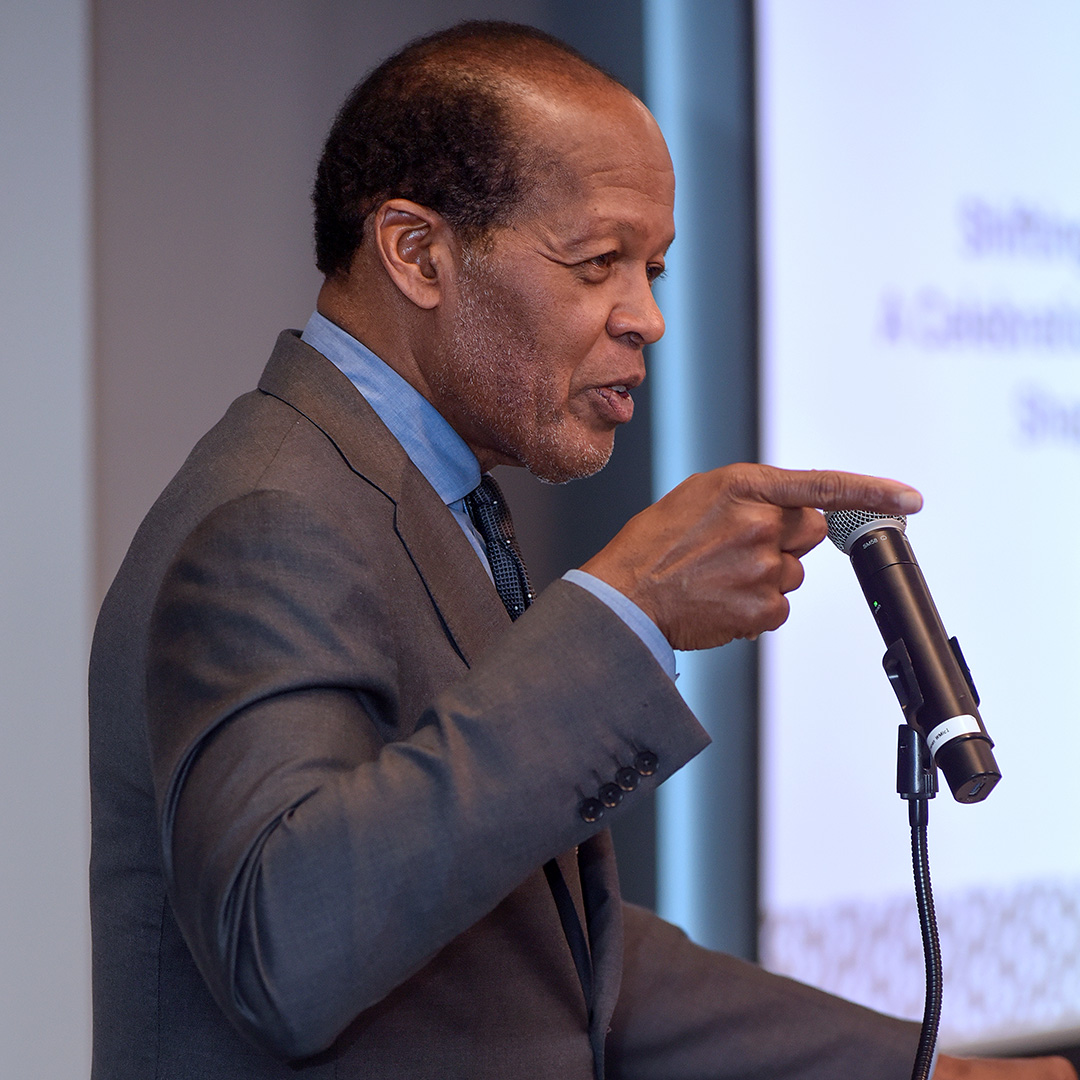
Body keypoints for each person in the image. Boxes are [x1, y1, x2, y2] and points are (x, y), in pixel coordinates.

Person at [88, 20, 1075, 1080]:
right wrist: (626, 608)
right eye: (598, 263)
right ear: (418, 253)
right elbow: (283, 948)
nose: (647, 317)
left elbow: (562, 964)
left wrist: (933, 1071)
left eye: (652, 268)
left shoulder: (429, 493)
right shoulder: (276, 514)